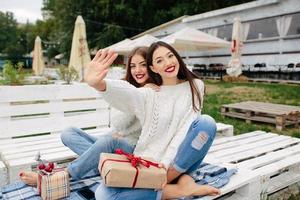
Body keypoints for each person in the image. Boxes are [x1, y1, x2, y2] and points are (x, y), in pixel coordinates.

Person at [85, 41, 220, 200]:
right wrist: (100, 84)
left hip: (180, 162)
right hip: (149, 162)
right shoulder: (150, 94)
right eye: (159, 60)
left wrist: (166, 168)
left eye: (170, 56)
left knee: (207, 123)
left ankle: (167, 181)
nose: (168, 62)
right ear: (153, 68)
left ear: (177, 57)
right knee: (103, 195)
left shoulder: (195, 85)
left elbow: (184, 128)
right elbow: (128, 94)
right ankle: (181, 189)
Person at [19, 46, 159, 186]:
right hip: (116, 144)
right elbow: (117, 126)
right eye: (133, 66)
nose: (137, 71)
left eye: (143, 65)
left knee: (107, 141)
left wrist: (138, 94)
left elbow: (122, 124)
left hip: (133, 149)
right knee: (68, 133)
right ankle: (103, 166)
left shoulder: (154, 91)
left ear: (152, 66)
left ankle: (61, 176)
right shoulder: (129, 87)